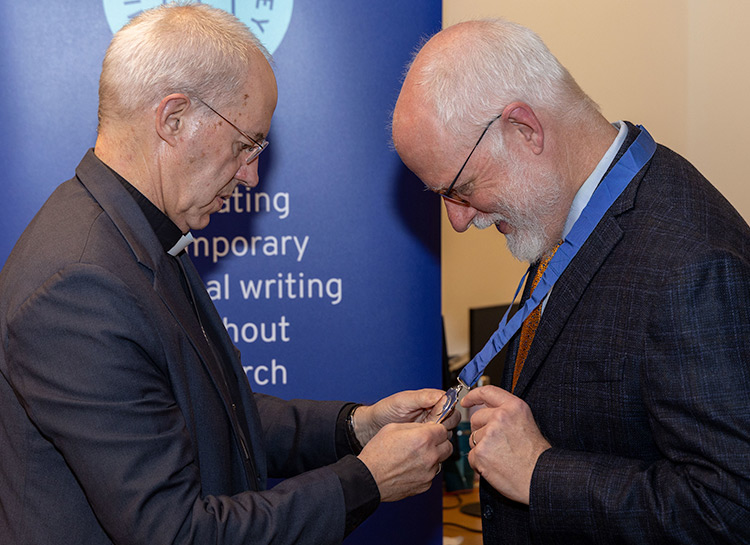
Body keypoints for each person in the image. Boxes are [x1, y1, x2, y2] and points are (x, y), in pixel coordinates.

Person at [0, 4, 458, 544]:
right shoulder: (79, 284)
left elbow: (213, 413)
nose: (252, 174)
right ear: (173, 120)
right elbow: (177, 534)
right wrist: (366, 481)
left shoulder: (136, 233)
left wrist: (355, 428)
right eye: (246, 144)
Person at [392, 18, 750, 544]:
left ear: (525, 130)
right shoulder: (568, 212)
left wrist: (541, 474)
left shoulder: (693, 265)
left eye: (461, 189)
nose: (459, 221)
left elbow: (731, 510)